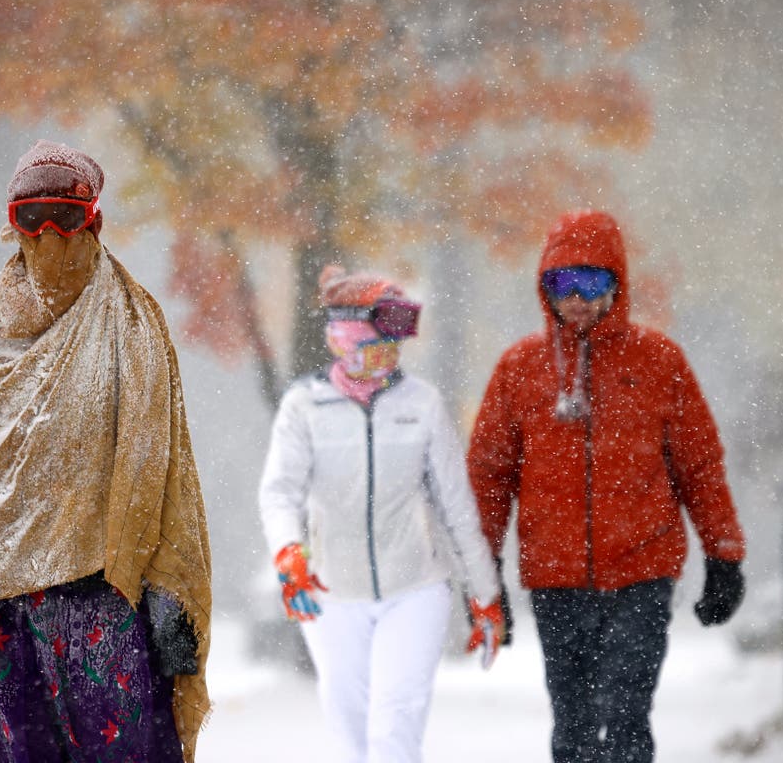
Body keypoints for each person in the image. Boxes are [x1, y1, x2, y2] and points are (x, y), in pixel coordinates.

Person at [0, 140, 213, 763]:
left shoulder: (135, 326)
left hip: (108, 600)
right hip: (9, 611)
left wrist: (172, 592)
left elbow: (164, 468)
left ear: (95, 221)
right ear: (13, 229)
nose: (51, 236)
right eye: (31, 220)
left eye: (67, 216)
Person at [466, 210, 747, 763]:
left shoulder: (659, 362)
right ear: (543, 288)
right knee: (572, 727)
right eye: (560, 283)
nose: (576, 298)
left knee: (624, 718)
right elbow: (489, 476)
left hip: (642, 572)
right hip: (555, 577)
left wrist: (724, 554)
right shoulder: (519, 368)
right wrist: (483, 574)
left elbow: (699, 466)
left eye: (592, 283)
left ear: (618, 284)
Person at [257, 265, 506, 763]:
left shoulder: (423, 405)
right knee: (350, 727)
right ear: (343, 343)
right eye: (375, 348)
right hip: (331, 592)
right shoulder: (305, 407)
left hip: (416, 588)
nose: (388, 360)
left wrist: (485, 595)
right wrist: (289, 556)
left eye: (394, 348)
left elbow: (457, 508)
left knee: (395, 724)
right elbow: (280, 493)